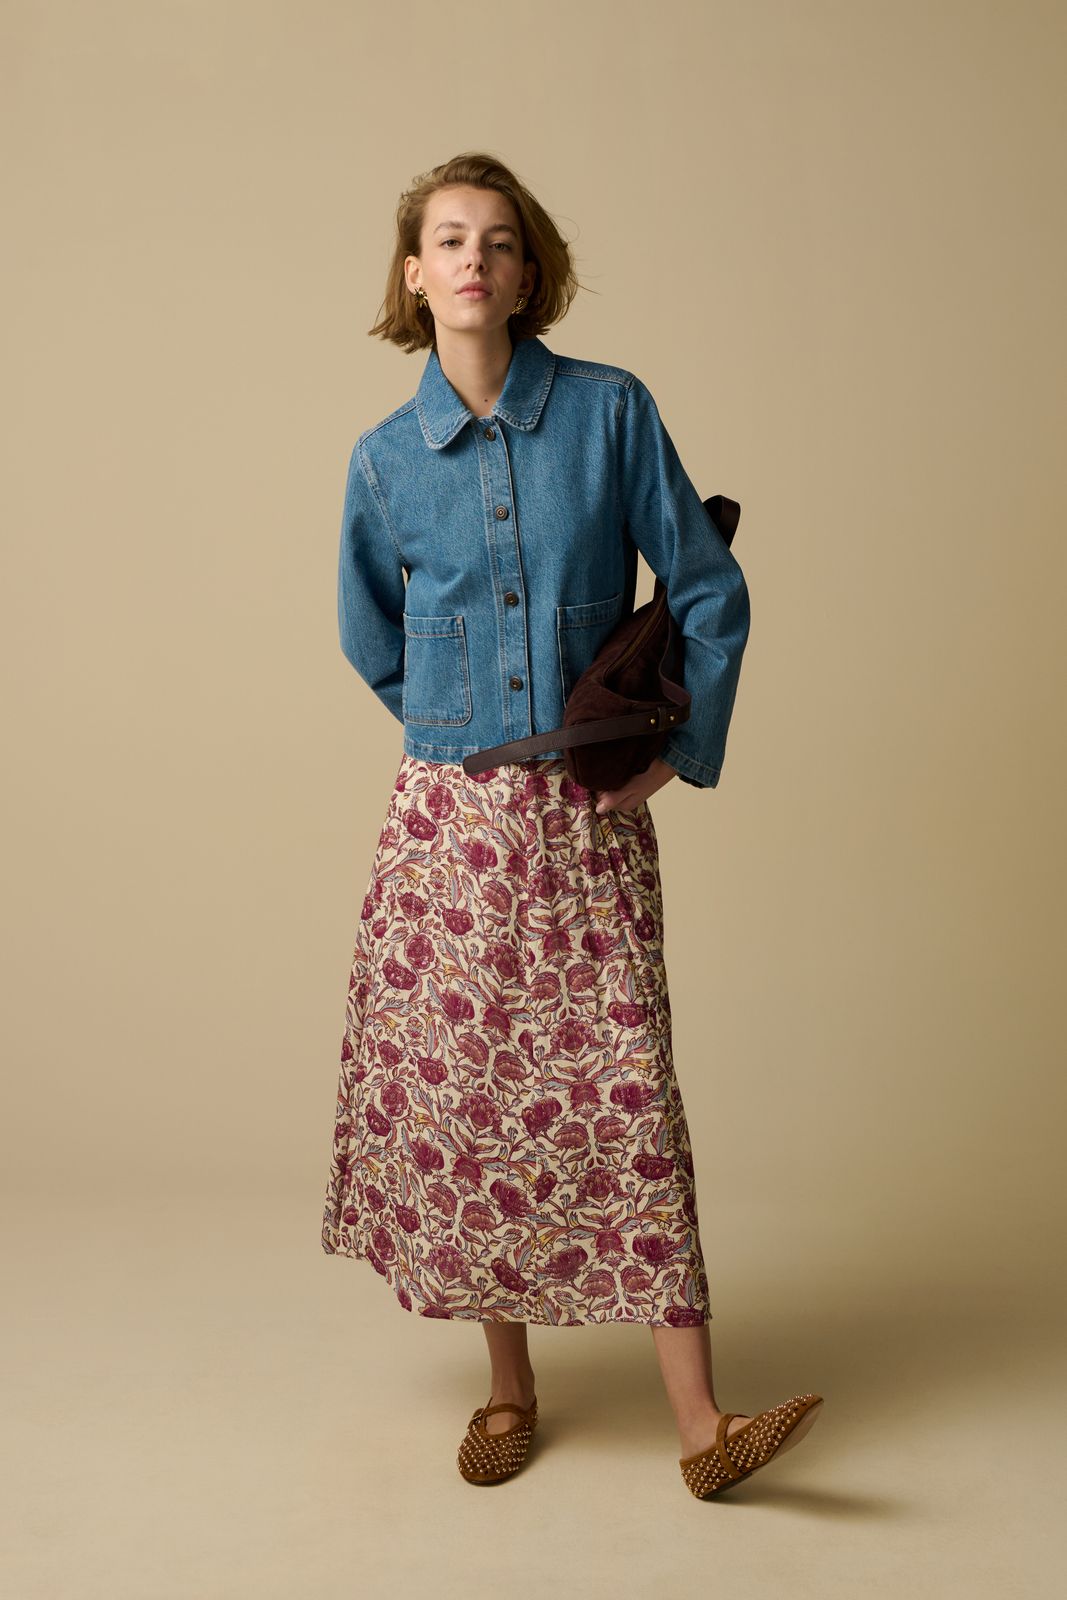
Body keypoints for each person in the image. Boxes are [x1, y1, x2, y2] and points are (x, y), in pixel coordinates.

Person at [320, 151, 824, 1497]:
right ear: (413, 275)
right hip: (447, 836)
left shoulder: (610, 415)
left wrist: (671, 756)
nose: (473, 261)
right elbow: (373, 641)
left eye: (498, 241)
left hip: (587, 823)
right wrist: (461, 747)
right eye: (448, 240)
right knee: (471, 1102)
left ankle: (704, 1430)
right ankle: (509, 1389)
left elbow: (709, 591)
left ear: (529, 271)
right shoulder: (384, 462)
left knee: (629, 1095)